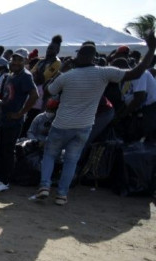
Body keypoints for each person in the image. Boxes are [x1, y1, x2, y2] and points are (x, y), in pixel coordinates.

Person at [37, 33, 156, 205]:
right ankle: (62, 194)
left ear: (79, 56)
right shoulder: (103, 73)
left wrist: (62, 71)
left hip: (62, 124)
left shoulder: (67, 75)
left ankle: (44, 186)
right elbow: (136, 73)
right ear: (94, 57)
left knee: (50, 154)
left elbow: (48, 90)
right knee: (72, 159)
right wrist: (151, 49)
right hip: (84, 126)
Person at [0, 48, 38, 193]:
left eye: (19, 59)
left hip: (14, 121)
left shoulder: (26, 76)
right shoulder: (11, 75)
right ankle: (0, 176)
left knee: (8, 151)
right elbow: (8, 95)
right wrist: (0, 101)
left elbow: (34, 95)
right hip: (4, 118)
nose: (15, 62)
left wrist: (20, 113)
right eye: (14, 59)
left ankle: (5, 181)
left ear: (25, 61)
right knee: (1, 149)